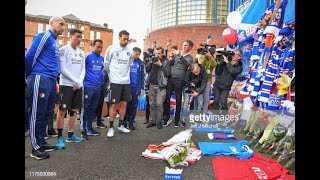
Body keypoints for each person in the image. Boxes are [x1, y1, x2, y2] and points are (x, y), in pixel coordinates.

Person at [25, 16, 66, 160]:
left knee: (47, 112)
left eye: (64, 25)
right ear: (51, 24)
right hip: (39, 77)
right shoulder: (44, 36)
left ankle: (41, 141)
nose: (63, 27)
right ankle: (35, 148)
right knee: (37, 112)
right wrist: (30, 75)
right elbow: (30, 56)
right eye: (60, 24)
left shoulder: (54, 41)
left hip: (50, 80)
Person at [55, 28, 86, 149]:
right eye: (77, 36)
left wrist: (79, 83)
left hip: (77, 85)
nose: (79, 39)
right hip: (66, 85)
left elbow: (83, 69)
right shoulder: (63, 50)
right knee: (62, 111)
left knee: (74, 110)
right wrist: (75, 81)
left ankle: (71, 135)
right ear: (70, 36)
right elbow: (62, 69)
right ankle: (59, 138)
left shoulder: (81, 53)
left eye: (80, 37)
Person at [104, 30, 132, 137]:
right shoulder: (111, 49)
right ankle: (111, 128)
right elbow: (106, 64)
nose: (125, 41)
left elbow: (129, 64)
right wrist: (112, 76)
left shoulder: (129, 51)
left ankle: (121, 125)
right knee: (113, 104)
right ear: (119, 38)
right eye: (124, 39)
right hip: (115, 82)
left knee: (124, 104)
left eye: (127, 39)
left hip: (126, 82)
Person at [163, 40, 194, 128]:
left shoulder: (190, 57)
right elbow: (170, 64)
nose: (184, 47)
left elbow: (187, 64)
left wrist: (179, 55)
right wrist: (171, 57)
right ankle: (167, 118)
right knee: (167, 99)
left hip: (180, 81)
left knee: (178, 101)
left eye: (186, 45)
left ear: (190, 47)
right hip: (171, 79)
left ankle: (176, 121)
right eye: (183, 45)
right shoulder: (177, 54)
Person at [80, 39, 105, 139]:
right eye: (98, 47)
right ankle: (83, 129)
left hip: (98, 87)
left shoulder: (103, 59)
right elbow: (81, 70)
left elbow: (103, 72)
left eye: (101, 47)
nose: (100, 49)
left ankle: (89, 128)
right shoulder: (87, 56)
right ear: (92, 46)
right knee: (85, 108)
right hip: (87, 86)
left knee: (93, 108)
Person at [145, 47, 171, 129]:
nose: (157, 55)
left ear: (163, 53)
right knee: (152, 104)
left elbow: (168, 73)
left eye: (159, 53)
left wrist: (161, 65)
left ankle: (159, 122)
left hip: (161, 86)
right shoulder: (152, 60)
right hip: (151, 85)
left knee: (159, 104)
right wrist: (150, 62)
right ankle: (152, 121)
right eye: (156, 53)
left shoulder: (166, 62)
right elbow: (147, 69)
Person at [123, 47, 145, 130]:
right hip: (127, 86)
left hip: (136, 88)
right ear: (132, 53)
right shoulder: (127, 61)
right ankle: (124, 122)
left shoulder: (141, 63)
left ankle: (131, 122)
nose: (137, 56)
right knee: (126, 105)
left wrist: (142, 87)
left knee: (134, 106)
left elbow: (142, 76)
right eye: (136, 54)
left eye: (139, 54)